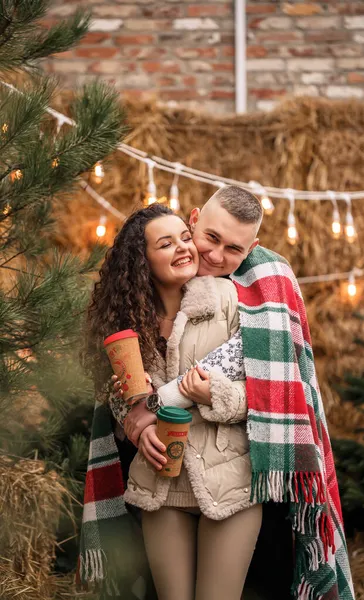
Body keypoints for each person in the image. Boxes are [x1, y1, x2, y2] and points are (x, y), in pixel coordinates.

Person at [82, 198, 265, 600]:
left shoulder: (231, 301)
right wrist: (135, 430)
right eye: (165, 244)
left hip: (230, 481)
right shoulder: (127, 325)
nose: (185, 247)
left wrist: (213, 393)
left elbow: (267, 396)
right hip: (160, 485)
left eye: (185, 237)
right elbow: (122, 405)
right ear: (141, 259)